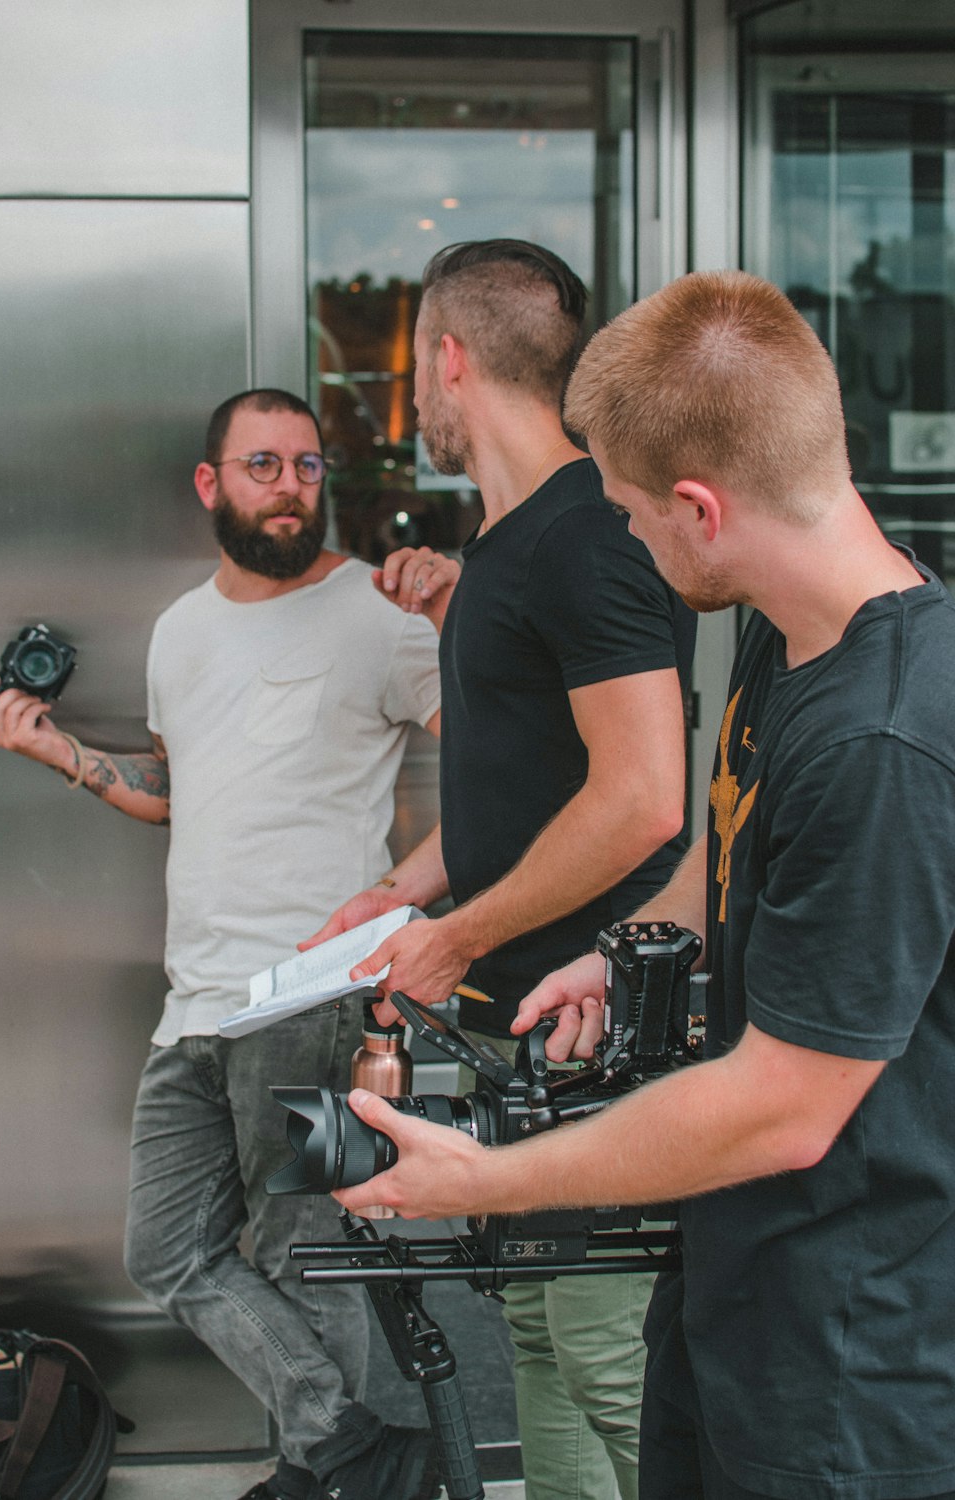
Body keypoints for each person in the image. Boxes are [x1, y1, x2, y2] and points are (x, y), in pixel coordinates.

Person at [331, 269, 955, 1500]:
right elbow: (730, 837)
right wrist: (622, 952)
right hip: (742, 1289)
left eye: (624, 511)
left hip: (851, 1368)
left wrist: (490, 1179)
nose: (617, 537)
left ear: (699, 508)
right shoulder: (794, 634)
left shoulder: (885, 745)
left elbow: (786, 1108)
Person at [0, 388, 444, 1500]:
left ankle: (318, 1467)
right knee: (167, 1251)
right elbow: (180, 791)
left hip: (310, 992)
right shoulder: (183, 631)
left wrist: (400, 898)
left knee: (306, 1253)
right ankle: (352, 1453)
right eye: (262, 466)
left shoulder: (378, 617)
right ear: (210, 484)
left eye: (306, 467)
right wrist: (59, 756)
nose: (289, 487)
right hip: (193, 1005)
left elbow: (492, 759)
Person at [303, 240, 697, 1500]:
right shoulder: (508, 546)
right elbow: (527, 776)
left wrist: (461, 933)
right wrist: (409, 890)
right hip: (516, 1028)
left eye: (414, 360)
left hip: (598, 1028)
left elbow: (641, 801)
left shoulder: (586, 539)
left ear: (446, 362)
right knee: (535, 1339)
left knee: (608, 1364)